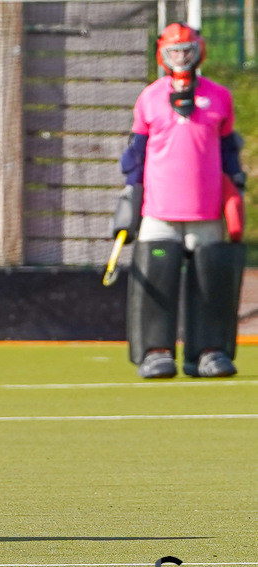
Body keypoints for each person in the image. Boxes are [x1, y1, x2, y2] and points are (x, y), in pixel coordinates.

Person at [112, 23, 247, 379]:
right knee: (156, 280)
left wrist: (236, 189)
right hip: (160, 212)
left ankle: (209, 351)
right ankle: (155, 352)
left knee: (211, 282)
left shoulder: (220, 96)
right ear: (162, 54)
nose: (182, 58)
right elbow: (136, 156)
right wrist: (130, 194)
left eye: (187, 50)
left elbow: (229, 152)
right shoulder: (150, 97)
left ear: (199, 50)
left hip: (207, 211)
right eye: (175, 51)